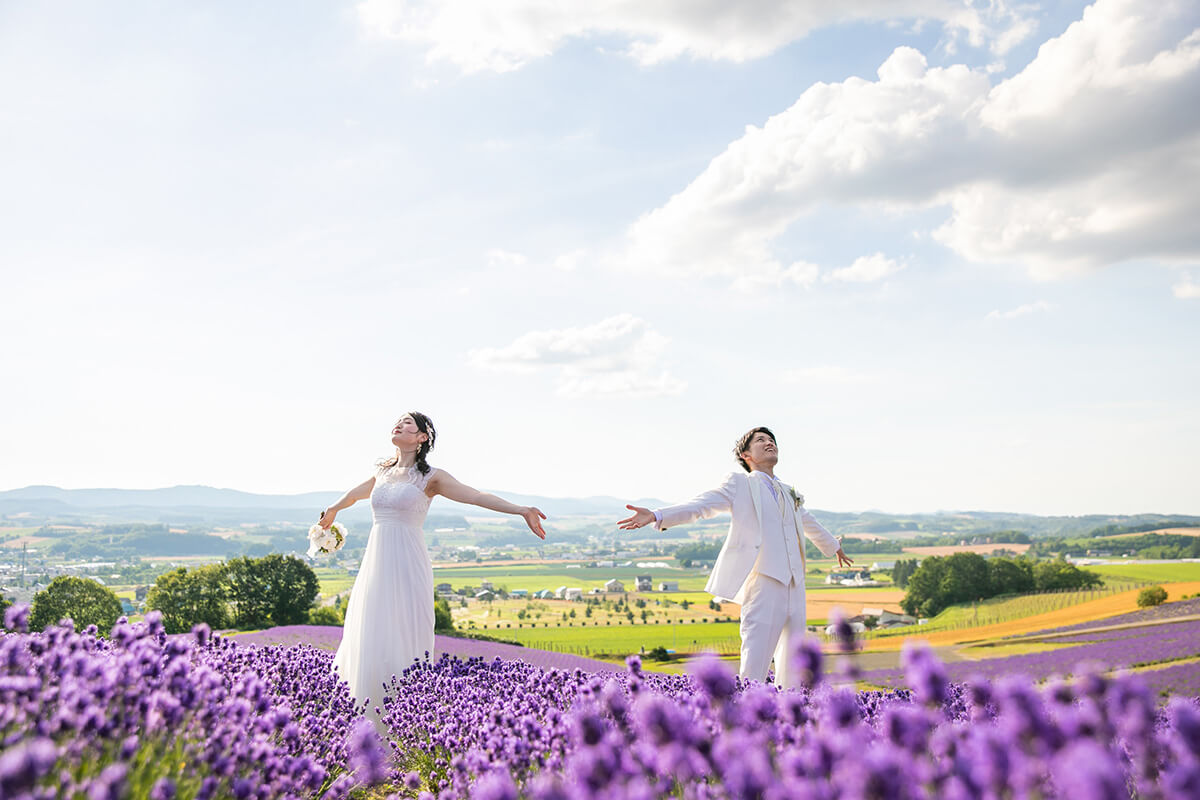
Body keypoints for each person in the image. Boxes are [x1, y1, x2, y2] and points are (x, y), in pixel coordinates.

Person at [317, 412, 546, 723]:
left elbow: (475, 496)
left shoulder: (431, 477)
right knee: (370, 627)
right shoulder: (381, 473)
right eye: (397, 421)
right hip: (376, 560)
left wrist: (520, 509)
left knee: (403, 629)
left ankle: (403, 718)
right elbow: (356, 495)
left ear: (422, 437)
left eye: (408, 423)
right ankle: (361, 715)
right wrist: (333, 509)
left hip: (408, 560)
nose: (399, 425)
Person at [618, 426, 853, 688]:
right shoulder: (740, 484)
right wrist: (657, 515)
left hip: (796, 587)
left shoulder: (789, 492)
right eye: (761, 440)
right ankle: (747, 718)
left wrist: (833, 546)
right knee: (755, 664)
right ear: (745, 455)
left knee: (794, 668)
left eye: (772, 440)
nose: (769, 443)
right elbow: (702, 505)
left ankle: (789, 719)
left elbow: (809, 522)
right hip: (764, 584)